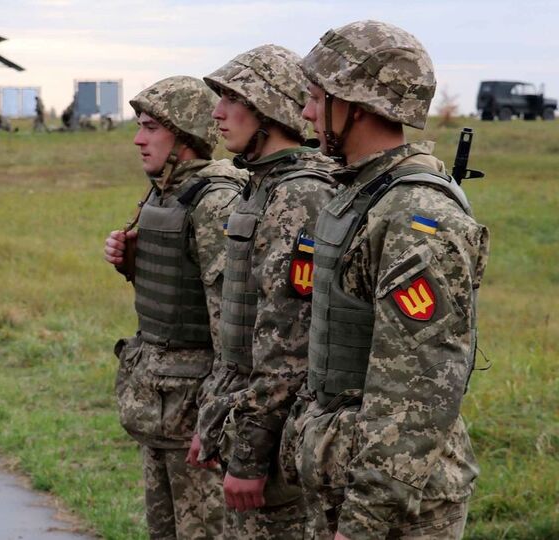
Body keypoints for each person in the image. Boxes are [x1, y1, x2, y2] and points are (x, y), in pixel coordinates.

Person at [280, 20, 490, 539]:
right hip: (345, 478)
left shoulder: (415, 216)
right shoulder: (362, 193)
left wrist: (365, 520)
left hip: (395, 507)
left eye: (314, 98)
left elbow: (416, 391)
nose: (306, 114)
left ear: (355, 104)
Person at [190, 45, 338, 538]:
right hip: (250, 420)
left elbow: (288, 346)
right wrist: (213, 420)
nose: (216, 112)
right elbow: (239, 331)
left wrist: (251, 455)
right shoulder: (263, 185)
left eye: (233, 99)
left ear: (269, 108)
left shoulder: (299, 193)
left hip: (278, 443)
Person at [104, 76, 245, 539]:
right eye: (139, 126)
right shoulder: (165, 190)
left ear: (184, 136)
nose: (138, 139)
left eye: (150, 128)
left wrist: (214, 417)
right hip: (160, 401)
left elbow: (231, 323)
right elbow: (176, 290)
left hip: (193, 411)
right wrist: (132, 264)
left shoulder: (214, 200)